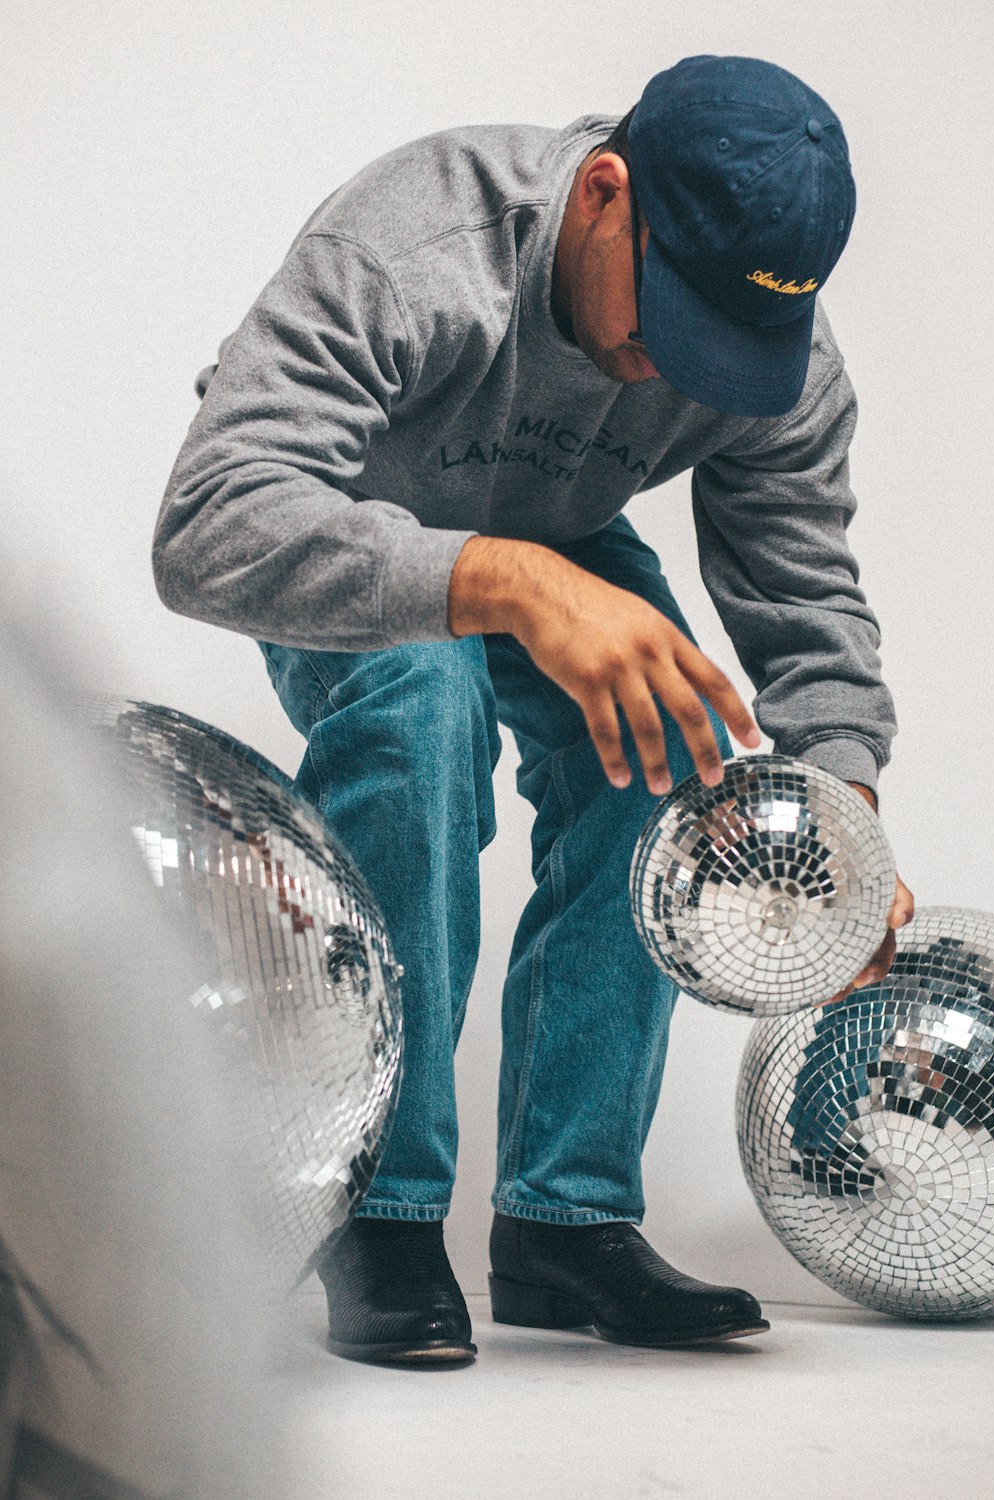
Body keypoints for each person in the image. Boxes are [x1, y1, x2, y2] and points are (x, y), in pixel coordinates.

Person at [153, 53, 915, 1367]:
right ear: (604, 191)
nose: (665, 367)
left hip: (549, 533)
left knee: (673, 749)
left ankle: (566, 1225)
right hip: (347, 532)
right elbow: (207, 528)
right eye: (667, 316)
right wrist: (501, 579)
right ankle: (379, 1212)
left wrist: (843, 808)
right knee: (418, 698)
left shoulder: (778, 354)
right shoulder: (415, 247)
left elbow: (804, 592)